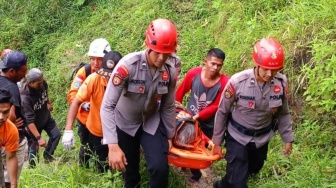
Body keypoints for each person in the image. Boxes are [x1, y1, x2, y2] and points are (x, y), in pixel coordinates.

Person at [100, 18, 178, 188]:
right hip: (125, 123)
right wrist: (112, 145)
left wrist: (171, 136)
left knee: (160, 168)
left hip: (151, 122)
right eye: (157, 52)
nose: (161, 58)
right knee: (130, 172)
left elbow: (168, 105)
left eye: (166, 53)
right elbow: (107, 106)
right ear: (147, 44)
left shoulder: (170, 71)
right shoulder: (127, 67)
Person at [212, 37, 294, 188]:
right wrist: (216, 142)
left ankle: (221, 185)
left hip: (261, 139)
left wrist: (288, 139)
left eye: (274, 70)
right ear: (256, 64)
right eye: (265, 68)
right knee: (239, 182)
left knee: (253, 168)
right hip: (237, 137)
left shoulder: (281, 83)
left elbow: (283, 113)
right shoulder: (238, 82)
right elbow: (222, 111)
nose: (269, 74)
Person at [62, 51, 122, 173]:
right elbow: (75, 99)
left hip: (119, 129)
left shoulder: (125, 80)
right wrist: (68, 129)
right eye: (92, 59)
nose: (108, 78)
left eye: (98, 59)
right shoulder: (93, 78)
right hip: (97, 128)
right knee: (100, 161)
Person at [175, 48, 229, 183]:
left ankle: (196, 173)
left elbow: (217, 105)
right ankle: (184, 164)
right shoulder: (194, 74)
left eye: (219, 65)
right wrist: (175, 109)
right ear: (206, 61)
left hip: (209, 123)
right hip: (189, 118)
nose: (215, 67)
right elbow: (180, 92)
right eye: (213, 63)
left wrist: (198, 116)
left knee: (199, 149)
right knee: (184, 141)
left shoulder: (224, 82)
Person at [65, 38, 111, 168]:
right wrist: (84, 104)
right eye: (93, 59)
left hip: (101, 121)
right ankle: (83, 168)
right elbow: (73, 94)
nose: (95, 63)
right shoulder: (84, 72)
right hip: (85, 118)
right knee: (86, 146)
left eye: (99, 59)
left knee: (102, 149)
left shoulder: (111, 73)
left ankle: (102, 170)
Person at [20, 68, 61, 167]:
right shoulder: (25, 98)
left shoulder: (42, 83)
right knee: (34, 148)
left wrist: (48, 102)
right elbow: (29, 121)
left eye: (42, 81)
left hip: (45, 117)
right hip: (33, 125)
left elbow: (45, 93)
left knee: (56, 135)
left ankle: (48, 156)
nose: (41, 84)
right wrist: (39, 138)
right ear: (30, 83)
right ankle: (33, 170)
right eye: (38, 83)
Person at [0, 50, 28, 188]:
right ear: (11, 71)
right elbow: (10, 114)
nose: (25, 74)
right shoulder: (11, 87)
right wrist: (10, 125)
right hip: (10, 139)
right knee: (8, 174)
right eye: (23, 71)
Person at [0, 89, 20, 188]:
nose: (1, 117)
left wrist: (13, 185)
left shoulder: (11, 130)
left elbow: (11, 158)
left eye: (5, 112)